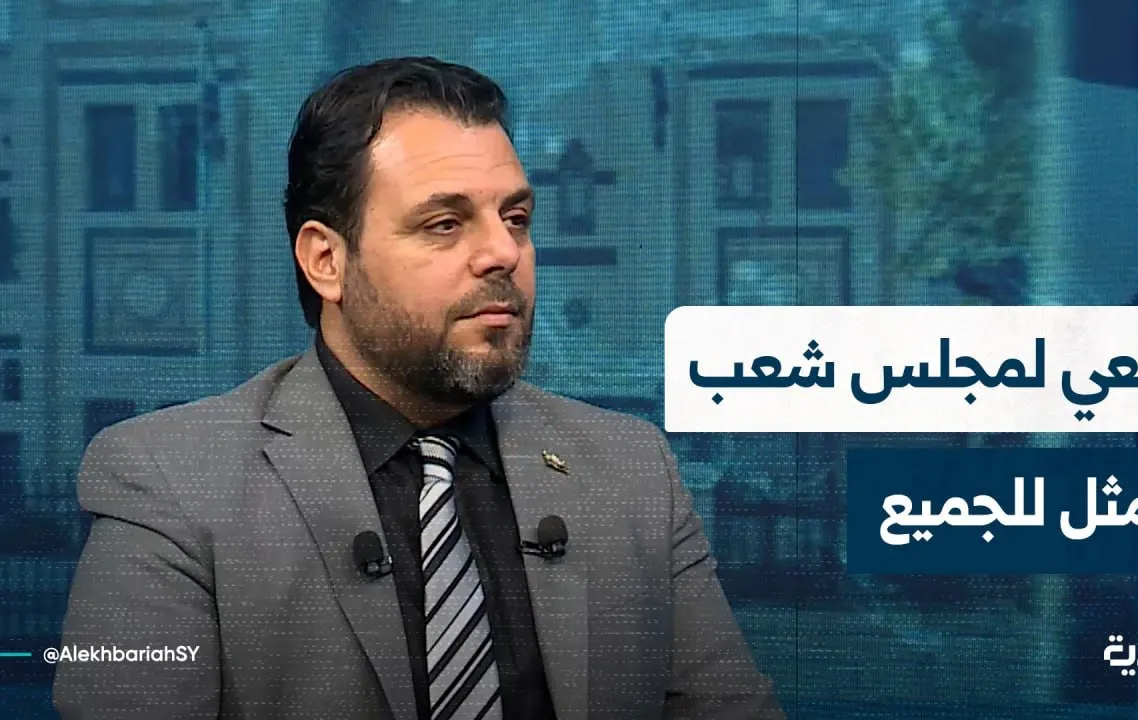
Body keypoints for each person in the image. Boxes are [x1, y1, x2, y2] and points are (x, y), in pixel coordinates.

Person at [53, 57, 783, 720]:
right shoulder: (166, 483)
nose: (503, 251)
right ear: (326, 260)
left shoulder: (631, 471)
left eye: (516, 218)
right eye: (444, 223)